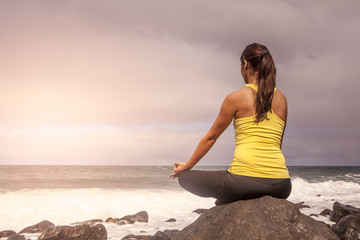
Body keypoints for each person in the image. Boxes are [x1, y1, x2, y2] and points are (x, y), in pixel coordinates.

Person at [170, 43, 291, 205]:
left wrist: (187, 165)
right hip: (282, 186)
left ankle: (228, 197)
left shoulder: (236, 98)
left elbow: (210, 138)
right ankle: (228, 197)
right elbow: (278, 144)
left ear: (245, 64)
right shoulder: (282, 99)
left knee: (184, 178)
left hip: (243, 184)